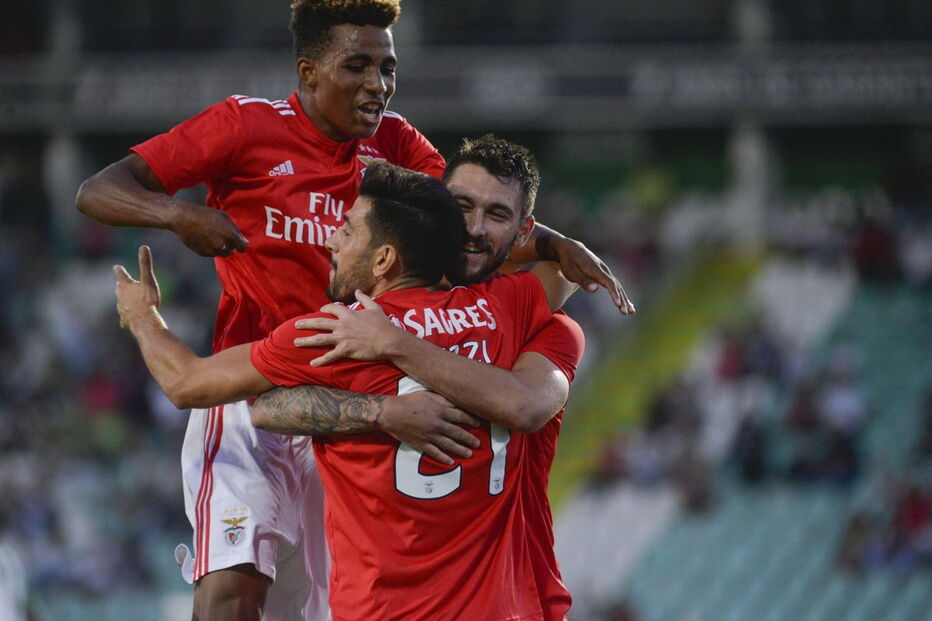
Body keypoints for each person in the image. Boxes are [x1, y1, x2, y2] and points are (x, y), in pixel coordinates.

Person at [76, 1, 629, 616]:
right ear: (308, 72)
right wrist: (178, 214)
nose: (379, 86)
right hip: (252, 385)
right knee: (230, 591)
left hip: (354, 401)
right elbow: (98, 190)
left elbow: (466, 221)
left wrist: (552, 240)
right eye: (359, 67)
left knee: (322, 604)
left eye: (389, 69)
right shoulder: (243, 127)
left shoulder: (397, 144)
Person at [113, 163, 575, 620]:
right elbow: (564, 272)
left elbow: (186, 383)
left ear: (384, 260)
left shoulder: (334, 335)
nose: (331, 242)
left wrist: (142, 318)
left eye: (348, 232)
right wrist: (562, 245)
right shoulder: (508, 311)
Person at [252, 135, 592, 620]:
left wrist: (394, 346)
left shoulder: (357, 324)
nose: (473, 229)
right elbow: (563, 276)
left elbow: (235, 398)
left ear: (523, 232)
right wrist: (384, 411)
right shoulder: (534, 316)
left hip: (475, 602)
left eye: (497, 215)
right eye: (462, 208)